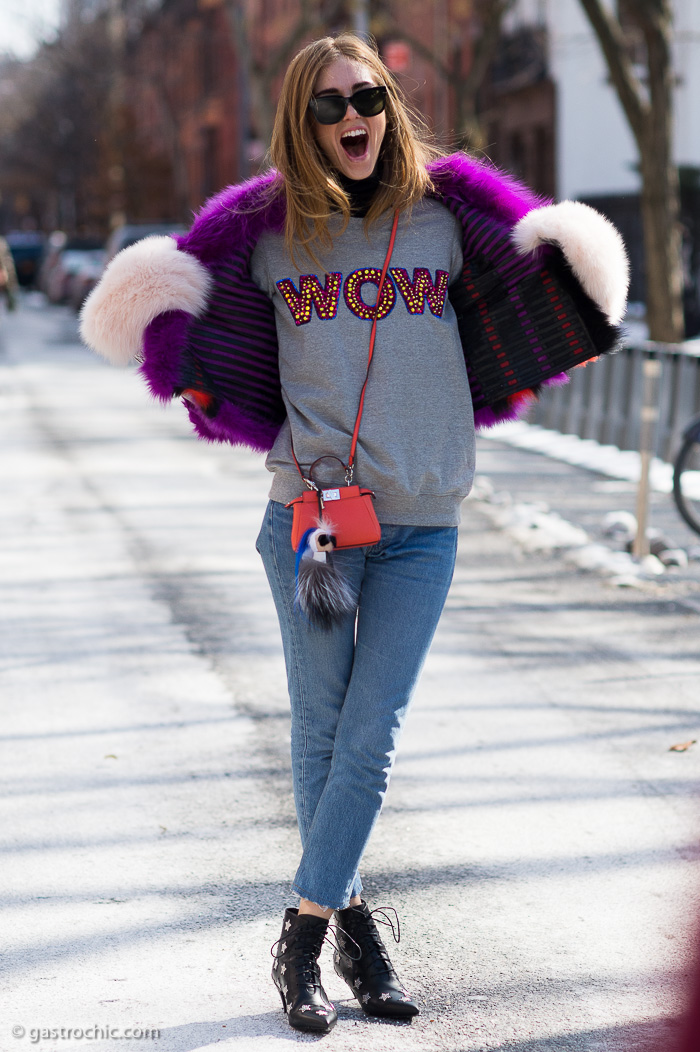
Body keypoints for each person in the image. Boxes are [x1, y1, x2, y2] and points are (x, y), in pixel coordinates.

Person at [80, 33, 628, 1034]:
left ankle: (304, 934)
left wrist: (576, 299)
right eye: (328, 106)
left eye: (366, 97)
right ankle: (354, 935)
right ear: (301, 120)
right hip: (311, 518)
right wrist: (172, 338)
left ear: (390, 103)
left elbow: (531, 292)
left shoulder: (444, 219)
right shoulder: (267, 232)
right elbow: (192, 315)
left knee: (367, 738)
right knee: (324, 733)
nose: (351, 120)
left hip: (422, 522)